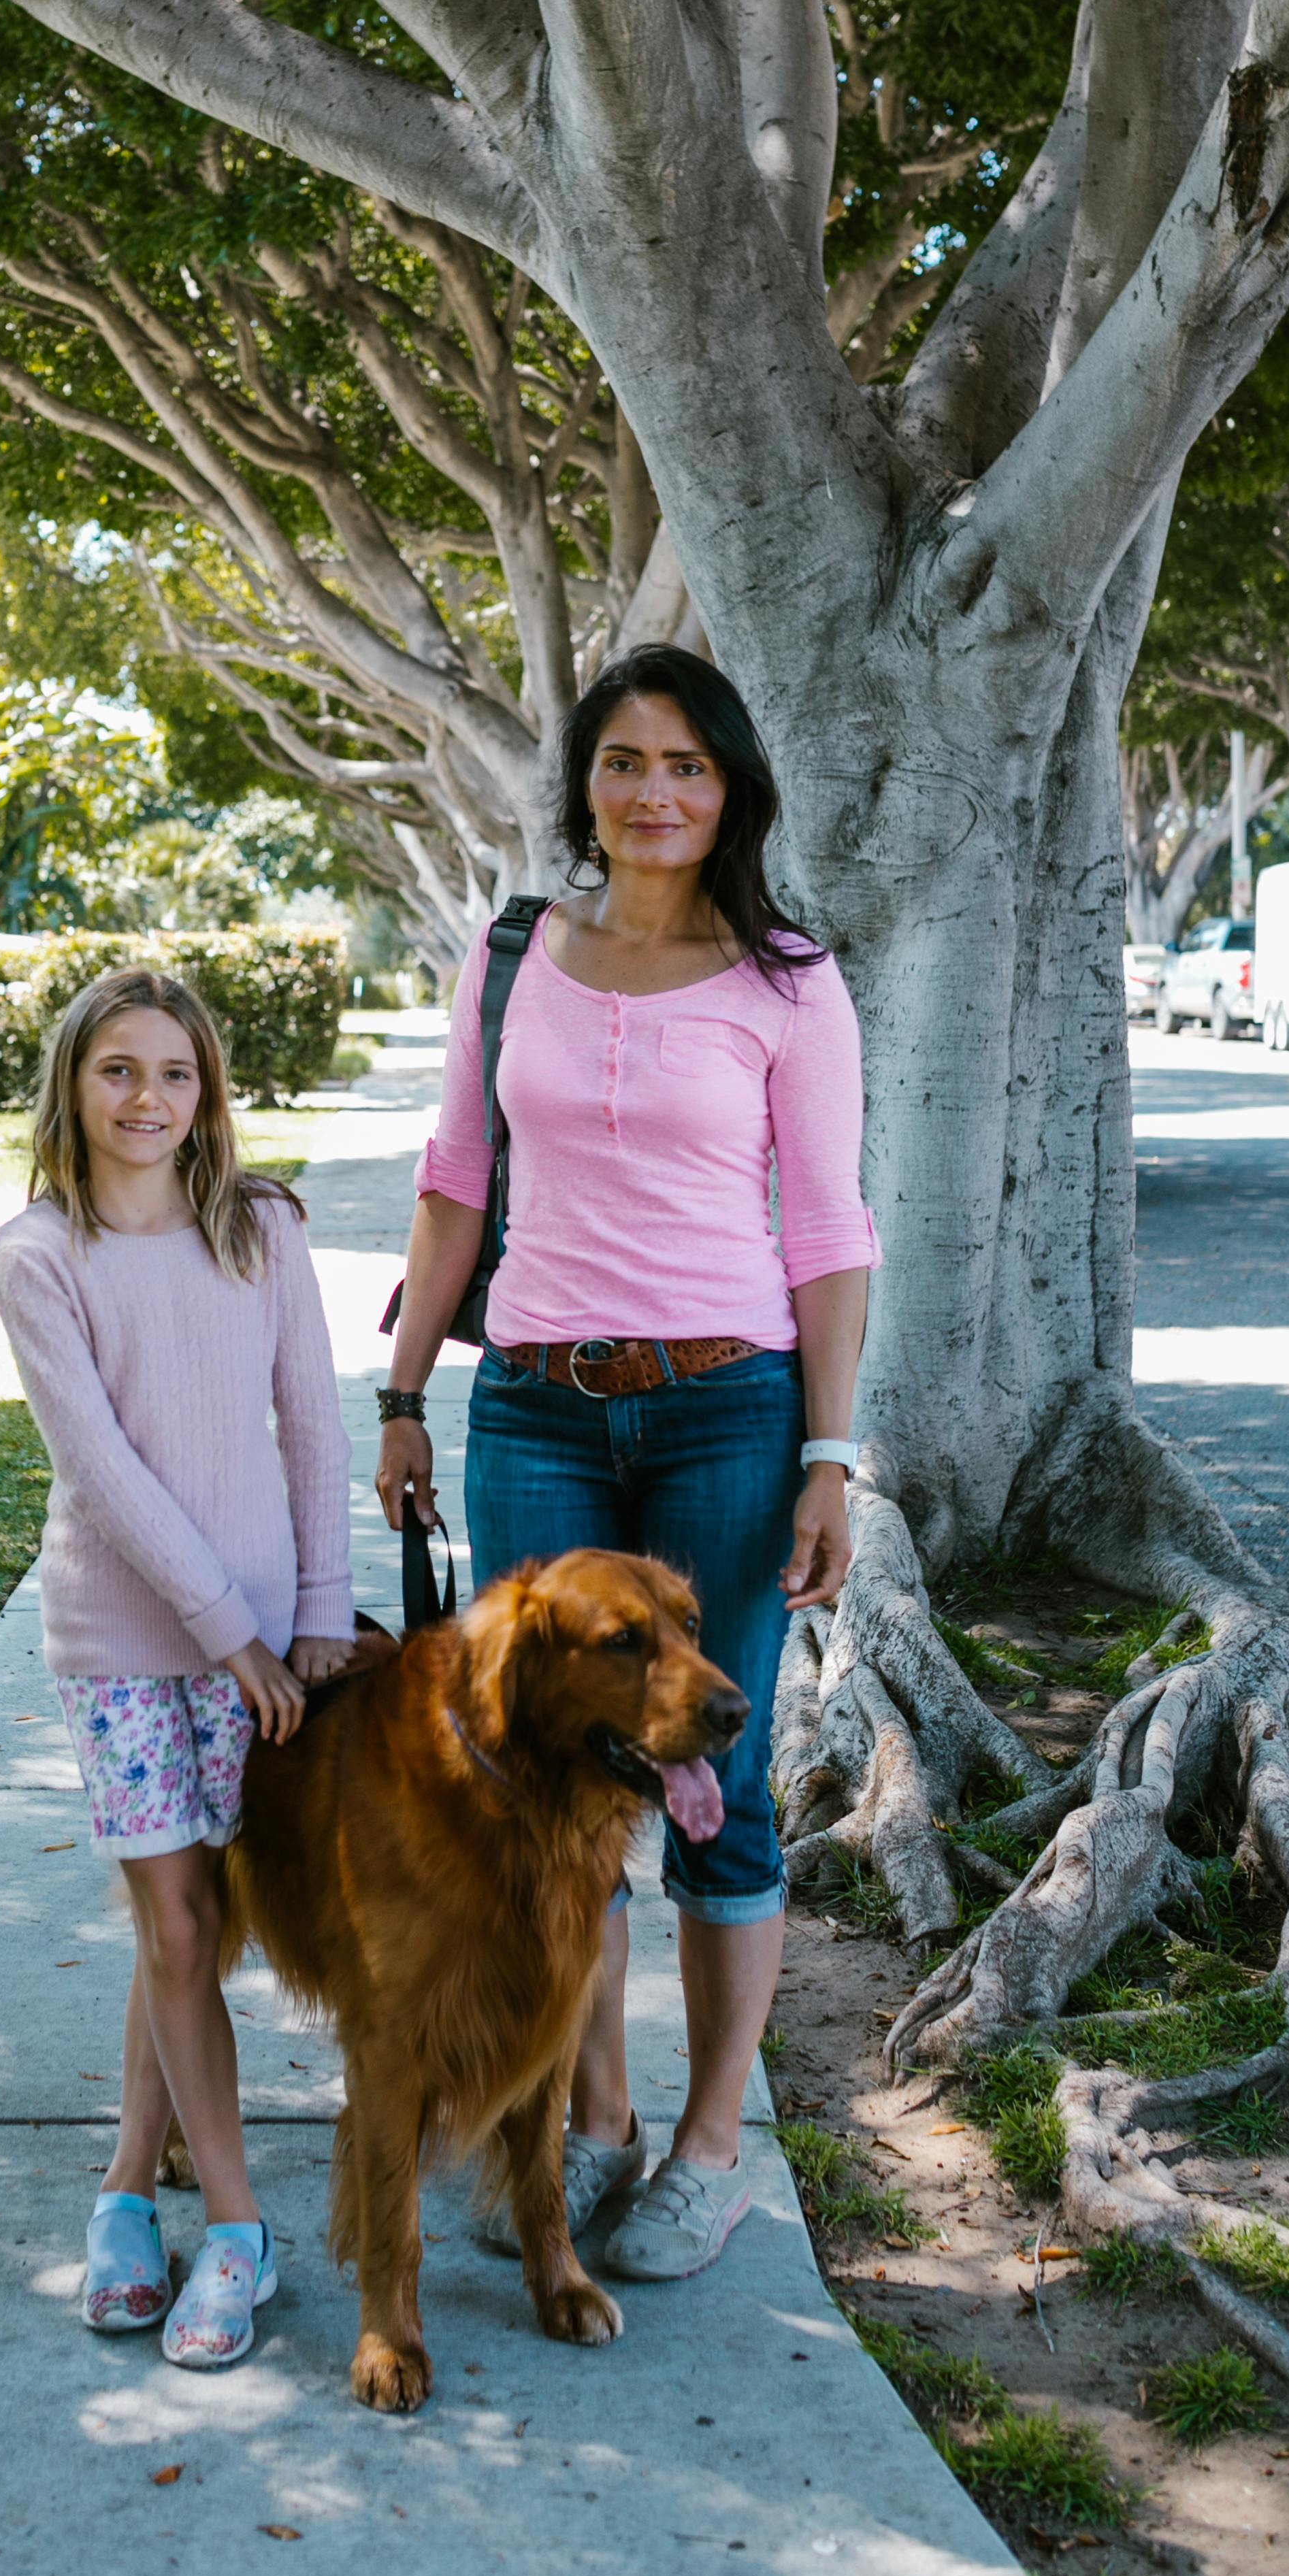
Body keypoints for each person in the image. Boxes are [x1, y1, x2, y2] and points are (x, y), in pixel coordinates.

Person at [376, 643, 877, 2281]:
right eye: (623, 762)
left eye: (685, 765)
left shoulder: (788, 981)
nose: (652, 792)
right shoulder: (514, 949)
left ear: (728, 788)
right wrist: (397, 1398)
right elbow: (457, 1177)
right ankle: (581, 2120)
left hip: (726, 1408)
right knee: (537, 1784)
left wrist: (826, 1452)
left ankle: (707, 2147)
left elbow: (824, 1230)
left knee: (709, 1790)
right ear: (585, 782)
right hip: (531, 1402)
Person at [0, 966, 355, 2371]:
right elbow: (106, 1475)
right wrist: (232, 1640)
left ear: (209, 1094)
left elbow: (311, 1429)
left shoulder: (259, 1228)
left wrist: (315, 1607)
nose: (148, 1099)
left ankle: (122, 2194)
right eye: (117, 1072)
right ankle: (241, 2227)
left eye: (176, 1074)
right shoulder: (39, 1254)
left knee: (193, 1932)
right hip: (134, 1648)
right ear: (72, 1088)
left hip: (270, 1639)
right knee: (188, 1932)